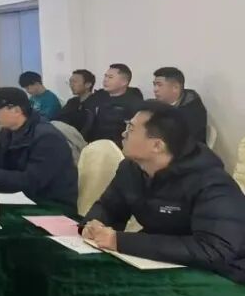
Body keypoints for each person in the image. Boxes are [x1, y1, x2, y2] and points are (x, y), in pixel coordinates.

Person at [82, 102, 245, 281]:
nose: (123, 133)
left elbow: (214, 250)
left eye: (131, 129)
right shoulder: (131, 169)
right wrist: (94, 224)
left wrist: (120, 241)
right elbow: (109, 206)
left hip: (223, 274)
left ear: (157, 145)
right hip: (161, 262)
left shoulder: (211, 183)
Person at [0, 87, 78, 208]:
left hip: (50, 204)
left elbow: (31, 181)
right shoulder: (7, 132)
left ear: (17, 110)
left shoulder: (47, 137)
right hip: (20, 196)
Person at [87, 63, 144, 145]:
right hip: (94, 144)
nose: (105, 80)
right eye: (105, 76)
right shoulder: (98, 96)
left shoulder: (134, 104)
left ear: (124, 82)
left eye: (110, 77)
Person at [152, 67, 208, 146]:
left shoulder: (193, 111)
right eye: (154, 85)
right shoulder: (158, 104)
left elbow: (184, 142)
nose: (155, 89)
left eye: (159, 85)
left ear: (175, 88)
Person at [56, 69, 97, 136]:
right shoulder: (72, 101)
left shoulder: (95, 104)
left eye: (75, 82)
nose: (71, 85)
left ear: (88, 85)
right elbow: (60, 119)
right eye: (70, 82)